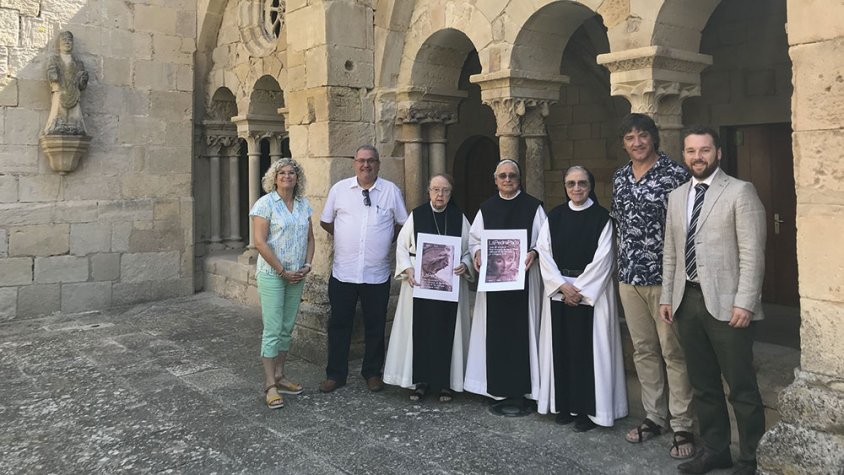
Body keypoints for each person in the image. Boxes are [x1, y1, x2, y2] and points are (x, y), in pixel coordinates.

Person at [660, 126, 766, 475]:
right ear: (684, 154)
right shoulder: (677, 197)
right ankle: (716, 450)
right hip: (686, 302)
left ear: (717, 153)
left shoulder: (739, 192)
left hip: (728, 304)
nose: (697, 157)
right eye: (691, 151)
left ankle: (751, 458)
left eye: (704, 150)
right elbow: (672, 253)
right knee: (703, 384)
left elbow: (753, 253)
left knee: (741, 387)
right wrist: (667, 296)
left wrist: (745, 302)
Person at [611, 113, 696, 458]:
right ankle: (654, 416)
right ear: (624, 143)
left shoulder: (675, 174)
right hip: (629, 277)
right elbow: (618, 225)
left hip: (665, 278)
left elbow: (687, 227)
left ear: (653, 138)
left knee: (673, 351)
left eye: (642, 135)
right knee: (644, 350)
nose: (637, 142)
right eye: (630, 137)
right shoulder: (619, 178)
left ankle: (682, 424)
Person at [536, 166, 628, 432]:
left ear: (591, 186)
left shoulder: (603, 218)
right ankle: (564, 405)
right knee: (562, 349)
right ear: (565, 187)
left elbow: (605, 258)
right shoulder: (554, 217)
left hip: (591, 296)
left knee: (588, 353)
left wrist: (579, 291)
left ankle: (588, 410)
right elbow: (544, 252)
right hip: (560, 292)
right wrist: (562, 287)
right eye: (571, 183)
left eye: (582, 183)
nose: (576, 188)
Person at [319, 145, 409, 393]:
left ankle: (372, 373)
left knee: (375, 325)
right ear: (354, 163)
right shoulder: (340, 190)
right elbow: (326, 221)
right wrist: (346, 239)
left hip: (376, 274)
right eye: (361, 161)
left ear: (378, 164)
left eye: (371, 161)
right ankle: (335, 374)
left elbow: (403, 224)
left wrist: (384, 239)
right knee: (339, 324)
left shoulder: (390, 191)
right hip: (343, 272)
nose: (365, 165)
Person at [384, 174, 474, 402]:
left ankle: (446, 383)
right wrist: (408, 270)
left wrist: (465, 264)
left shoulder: (459, 217)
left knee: (447, 331)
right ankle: (420, 381)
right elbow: (402, 249)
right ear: (428, 191)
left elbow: (469, 249)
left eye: (445, 191)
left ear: (450, 194)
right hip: (419, 285)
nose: (440, 195)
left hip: (450, 287)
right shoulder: (417, 215)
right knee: (420, 331)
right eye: (436, 190)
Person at [464, 159, 546, 409]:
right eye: (503, 176)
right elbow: (474, 239)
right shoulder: (486, 208)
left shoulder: (533, 207)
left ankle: (526, 391)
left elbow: (544, 241)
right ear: (495, 179)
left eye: (512, 176)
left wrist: (534, 252)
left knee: (524, 332)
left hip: (524, 280)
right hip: (494, 286)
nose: (507, 180)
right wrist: (477, 253)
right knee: (496, 332)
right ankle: (498, 390)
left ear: (519, 179)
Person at [249, 158, 315, 409]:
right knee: (273, 329)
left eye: (292, 173)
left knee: (287, 327)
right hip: (273, 275)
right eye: (282, 173)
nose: (287, 176)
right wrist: (282, 270)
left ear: (297, 178)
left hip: (297, 275)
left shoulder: (302, 205)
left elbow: (310, 238)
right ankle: (269, 384)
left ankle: (280, 374)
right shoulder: (265, 204)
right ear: (274, 178)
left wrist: (308, 265)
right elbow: (260, 242)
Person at [45, 31, 89, 136]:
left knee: (77, 127)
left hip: (74, 95)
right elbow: (51, 76)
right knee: (57, 123)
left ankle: (75, 128)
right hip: (60, 93)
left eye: (70, 40)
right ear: (59, 43)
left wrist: (83, 79)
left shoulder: (78, 64)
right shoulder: (54, 60)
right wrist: (53, 74)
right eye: (64, 39)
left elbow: (82, 86)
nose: (67, 42)